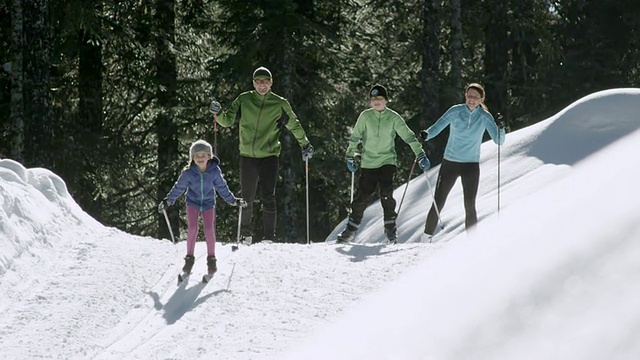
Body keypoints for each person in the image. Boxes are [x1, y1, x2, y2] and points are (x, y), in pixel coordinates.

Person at [210, 66, 314, 244]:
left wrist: (305, 144)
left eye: (265, 81)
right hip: (247, 156)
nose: (262, 85)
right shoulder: (244, 99)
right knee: (247, 197)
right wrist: (218, 113)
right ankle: (245, 235)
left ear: (271, 83)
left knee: (268, 195)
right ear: (253, 83)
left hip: (269, 155)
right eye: (258, 82)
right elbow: (227, 120)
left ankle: (268, 237)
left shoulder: (280, 103)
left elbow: (294, 124)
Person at [336, 84, 431, 244]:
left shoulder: (393, 117)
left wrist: (420, 154)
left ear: (386, 100)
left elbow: (408, 136)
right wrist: (350, 156)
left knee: (386, 194)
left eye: (379, 99)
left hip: (387, 161)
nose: (376, 102)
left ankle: (390, 229)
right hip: (368, 163)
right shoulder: (365, 116)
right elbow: (355, 136)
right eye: (373, 99)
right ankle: (351, 229)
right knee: (363, 197)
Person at [419, 83, 506, 241]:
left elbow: (499, 141)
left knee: (470, 204)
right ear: (465, 96)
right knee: (439, 201)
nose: (471, 99)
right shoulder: (456, 111)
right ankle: (425, 237)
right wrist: (427, 134)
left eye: (475, 97)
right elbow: (439, 125)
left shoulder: (485, 117)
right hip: (450, 163)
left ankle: (471, 242)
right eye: (469, 95)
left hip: (471, 166)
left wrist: (501, 127)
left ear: (481, 99)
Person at [158, 139, 246, 277]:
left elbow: (222, 187)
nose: (200, 158)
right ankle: (189, 259)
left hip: (208, 203)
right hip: (192, 202)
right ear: (192, 158)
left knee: (209, 228)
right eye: (197, 156)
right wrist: (168, 201)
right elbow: (179, 188)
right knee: (193, 228)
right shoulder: (188, 173)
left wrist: (233, 201)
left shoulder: (214, 171)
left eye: (203, 155)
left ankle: (211, 259)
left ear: (209, 156)